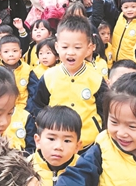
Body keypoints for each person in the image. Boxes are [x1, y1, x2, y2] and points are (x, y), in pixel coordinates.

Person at [33, 16, 108, 150]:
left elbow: (105, 111)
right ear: (57, 47)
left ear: (89, 48)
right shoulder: (49, 77)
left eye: (78, 47)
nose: (71, 52)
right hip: (56, 145)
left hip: (88, 144)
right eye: (65, 47)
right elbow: (39, 106)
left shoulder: (96, 79)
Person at [0, 34, 37, 112]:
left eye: (15, 51)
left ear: (20, 52)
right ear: (0, 54)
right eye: (6, 52)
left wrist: (28, 110)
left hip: (24, 110)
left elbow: (34, 92)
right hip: (2, 110)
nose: (11, 54)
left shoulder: (27, 70)